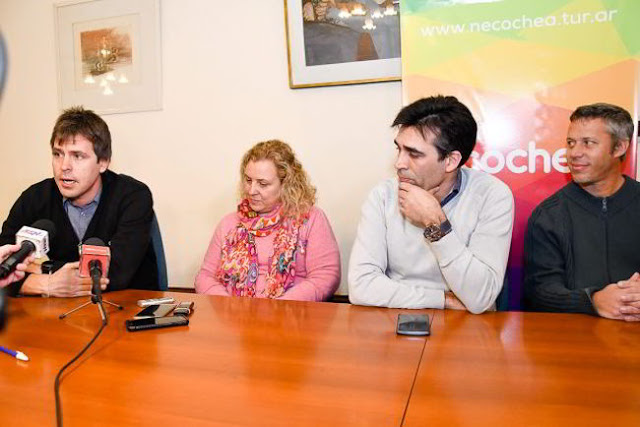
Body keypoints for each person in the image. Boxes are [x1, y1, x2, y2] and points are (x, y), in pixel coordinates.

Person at [348, 95, 514, 313]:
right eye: (399, 149)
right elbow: (361, 286)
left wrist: (436, 224)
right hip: (400, 315)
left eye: (414, 154)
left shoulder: (492, 196)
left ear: (451, 161)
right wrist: (442, 299)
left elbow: (480, 298)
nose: (399, 163)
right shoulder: (383, 196)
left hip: (469, 324)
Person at [0, 106, 158, 297]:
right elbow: (4, 265)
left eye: (78, 156)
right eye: (58, 154)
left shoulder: (133, 196)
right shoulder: (34, 197)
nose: (64, 166)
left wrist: (41, 270)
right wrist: (47, 284)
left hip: (127, 306)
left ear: (103, 162)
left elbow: (116, 274)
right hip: (57, 311)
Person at [524, 103, 640, 322]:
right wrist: (593, 300)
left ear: (619, 148)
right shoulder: (548, 215)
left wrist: (631, 298)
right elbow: (539, 292)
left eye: (588, 143)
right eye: (571, 143)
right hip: (572, 337)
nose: (574, 153)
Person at [195, 139, 340, 301]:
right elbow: (205, 277)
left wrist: (277, 308)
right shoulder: (229, 223)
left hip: (289, 313)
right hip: (233, 313)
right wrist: (228, 304)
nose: (251, 190)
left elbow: (325, 276)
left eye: (262, 184)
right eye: (248, 180)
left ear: (285, 184)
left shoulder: (310, 219)